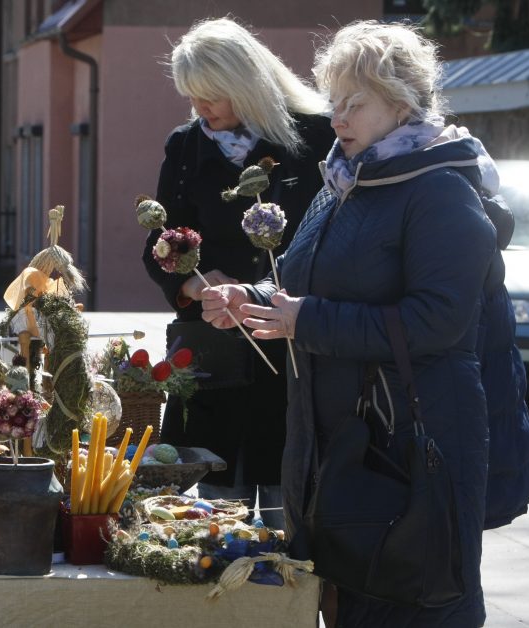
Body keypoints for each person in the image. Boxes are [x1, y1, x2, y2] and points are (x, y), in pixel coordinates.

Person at [201, 21, 497, 627]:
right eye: (333, 101)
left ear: (402, 101)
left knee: (410, 605)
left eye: (354, 103)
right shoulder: (343, 181)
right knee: (345, 604)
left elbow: (439, 320)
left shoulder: (439, 188)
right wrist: (251, 298)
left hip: (411, 451)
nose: (337, 117)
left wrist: (305, 320)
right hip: (336, 449)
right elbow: (310, 285)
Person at [142, 17, 333, 529]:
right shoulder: (185, 147)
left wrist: (263, 290)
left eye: (212, 96)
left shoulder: (314, 137)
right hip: (213, 354)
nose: (201, 109)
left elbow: (332, 239)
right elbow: (159, 247)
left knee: (283, 510)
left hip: (290, 349)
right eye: (192, 96)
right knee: (211, 519)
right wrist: (196, 283)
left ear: (247, 86)